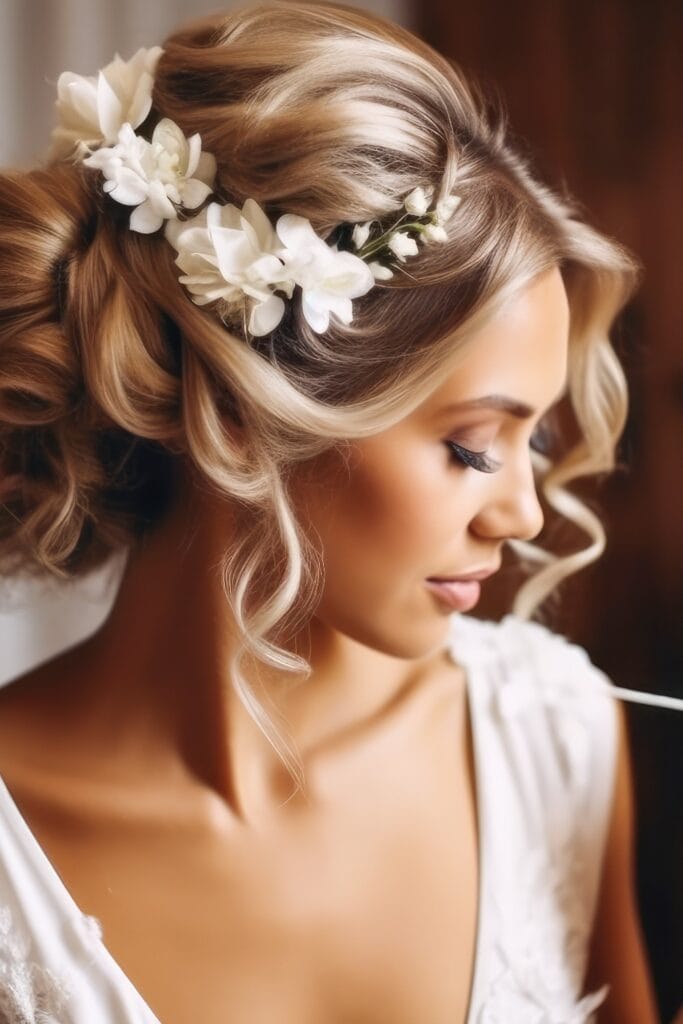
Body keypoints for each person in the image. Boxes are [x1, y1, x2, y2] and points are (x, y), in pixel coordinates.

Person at [0, 1, 667, 1021]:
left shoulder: (552, 738)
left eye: (530, 440)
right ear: (244, 411)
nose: (524, 516)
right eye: (470, 445)